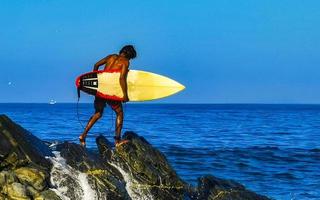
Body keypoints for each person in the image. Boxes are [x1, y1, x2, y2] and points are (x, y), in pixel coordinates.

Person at [79, 45, 137, 147]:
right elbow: (122, 78)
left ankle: (83, 135)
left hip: (100, 89)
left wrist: (96, 79)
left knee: (98, 113)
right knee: (119, 113)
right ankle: (117, 141)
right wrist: (125, 95)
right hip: (110, 91)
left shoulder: (111, 57)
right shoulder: (125, 62)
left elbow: (96, 65)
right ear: (129, 55)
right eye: (131, 57)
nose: (130, 60)